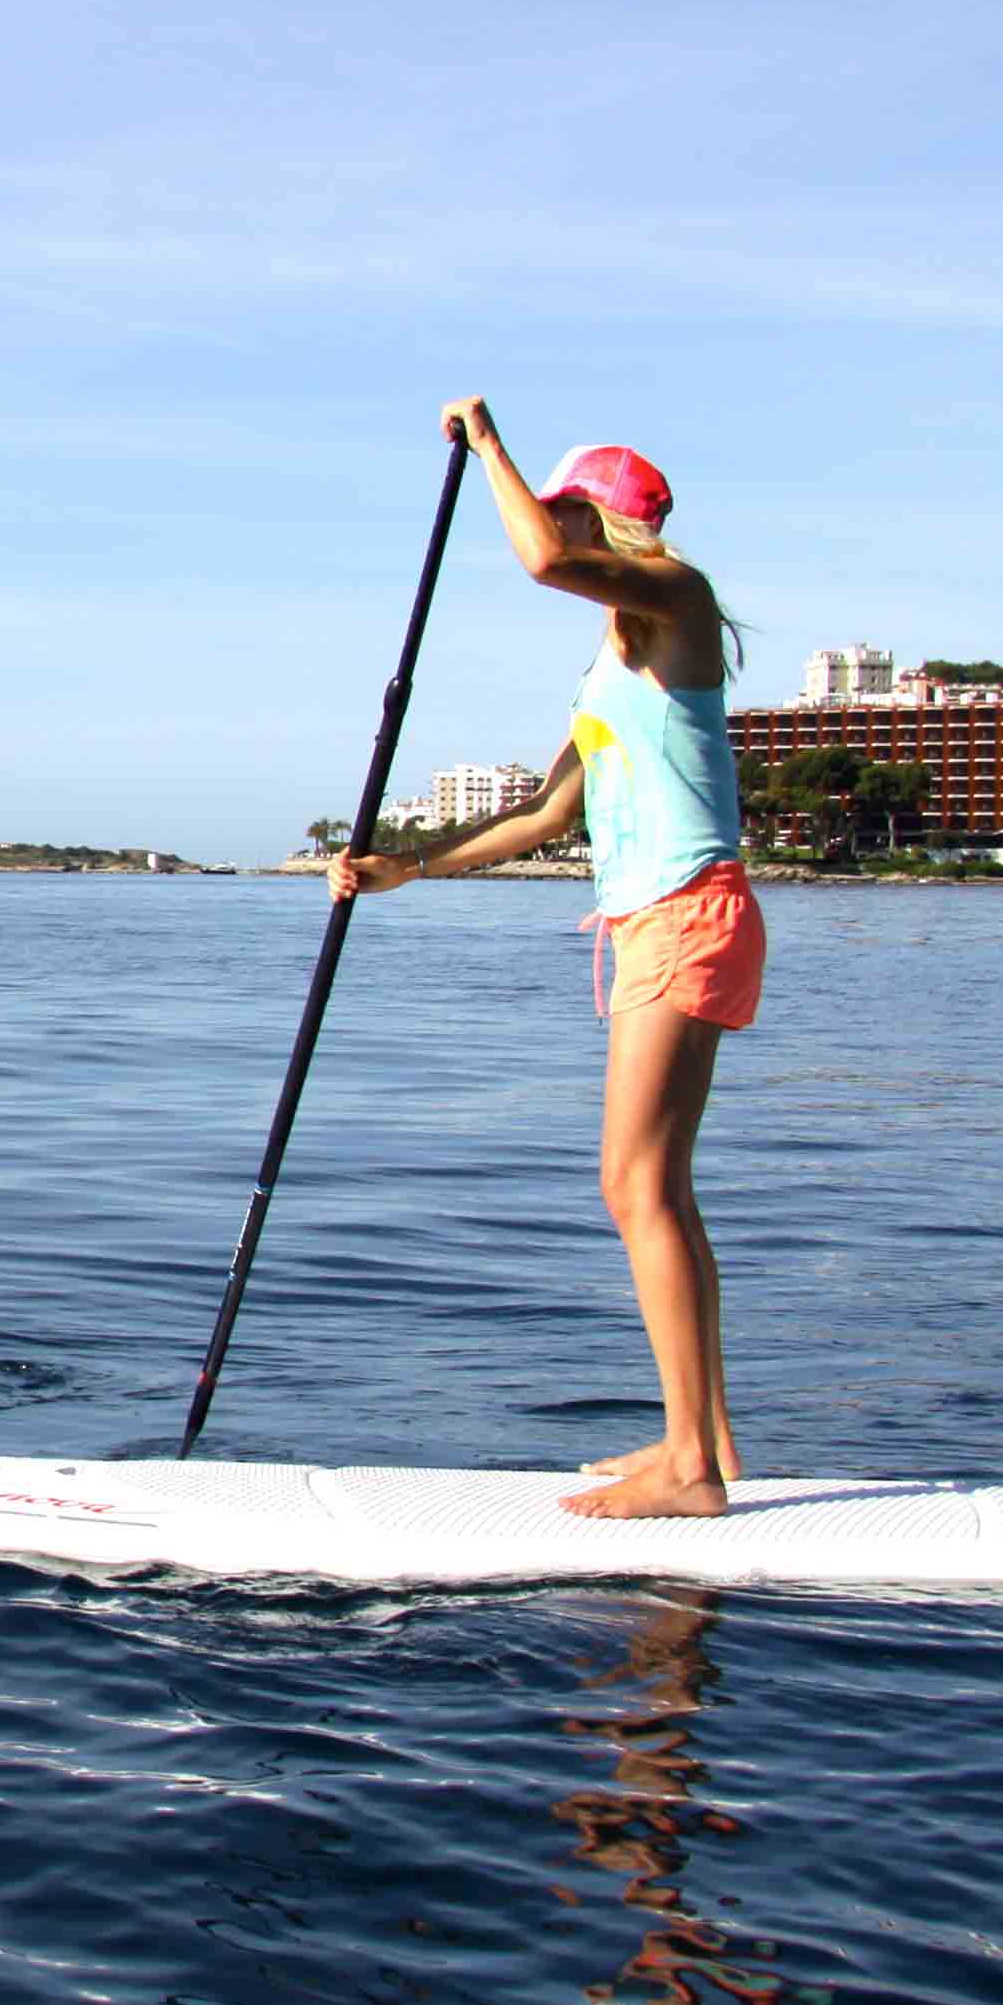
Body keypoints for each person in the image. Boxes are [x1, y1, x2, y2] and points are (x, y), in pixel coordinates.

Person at [331, 400, 762, 1520]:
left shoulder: (679, 597)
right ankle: (701, 1439)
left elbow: (531, 559)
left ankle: (691, 1471)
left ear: (597, 519)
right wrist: (407, 866)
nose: (553, 527)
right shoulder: (609, 666)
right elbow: (540, 817)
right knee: (656, 1186)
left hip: (686, 911)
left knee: (632, 1184)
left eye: (568, 510)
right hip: (642, 923)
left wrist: (485, 446)